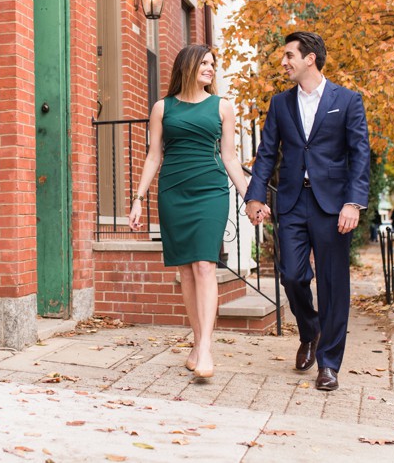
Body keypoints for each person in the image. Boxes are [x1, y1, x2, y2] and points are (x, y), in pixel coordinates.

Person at [245, 31, 370, 392]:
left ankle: (329, 363)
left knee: (333, 284)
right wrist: (255, 196)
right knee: (292, 275)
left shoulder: (346, 100)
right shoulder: (281, 104)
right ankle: (310, 331)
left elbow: (360, 154)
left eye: (289, 56)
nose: (284, 62)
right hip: (293, 203)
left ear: (310, 58)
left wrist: (353, 202)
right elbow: (267, 153)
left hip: (333, 206)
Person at [128, 44, 250, 379]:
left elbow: (229, 157)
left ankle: (206, 348)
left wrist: (250, 197)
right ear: (188, 66)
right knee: (185, 270)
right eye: (205, 63)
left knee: (204, 266)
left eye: (213, 64)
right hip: (173, 191)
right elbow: (154, 156)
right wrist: (138, 197)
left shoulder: (222, 107)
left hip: (210, 190)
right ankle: (197, 343)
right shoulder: (162, 108)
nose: (210, 68)